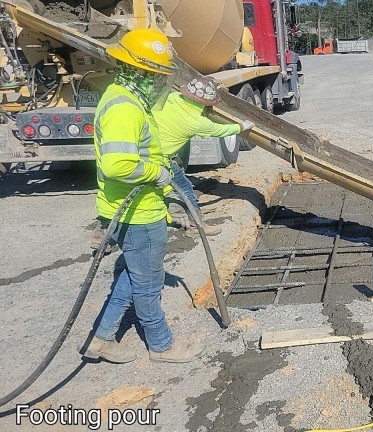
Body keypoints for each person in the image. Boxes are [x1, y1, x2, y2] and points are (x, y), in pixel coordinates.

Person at [84, 28, 205, 364]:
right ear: (140, 71)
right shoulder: (126, 108)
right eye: (156, 76)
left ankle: (101, 339)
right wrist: (159, 174)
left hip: (133, 208)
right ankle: (162, 346)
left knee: (131, 276)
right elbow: (117, 163)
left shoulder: (125, 97)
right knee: (148, 283)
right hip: (137, 214)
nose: (159, 83)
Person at [153, 76, 255, 236]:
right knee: (185, 188)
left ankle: (101, 234)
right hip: (160, 159)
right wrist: (242, 126)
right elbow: (221, 130)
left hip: (143, 150)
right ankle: (196, 225)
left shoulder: (173, 98)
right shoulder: (197, 122)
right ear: (206, 103)